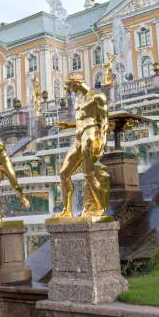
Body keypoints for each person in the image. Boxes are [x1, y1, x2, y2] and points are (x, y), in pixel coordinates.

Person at [53, 73, 110, 218]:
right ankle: (67, 211)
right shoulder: (79, 98)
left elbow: (104, 121)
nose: (70, 90)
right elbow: (81, 119)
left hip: (91, 135)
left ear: (77, 83)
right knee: (64, 173)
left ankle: (100, 209)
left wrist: (102, 142)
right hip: (78, 138)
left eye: (70, 86)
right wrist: (68, 125)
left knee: (89, 174)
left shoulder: (97, 96)